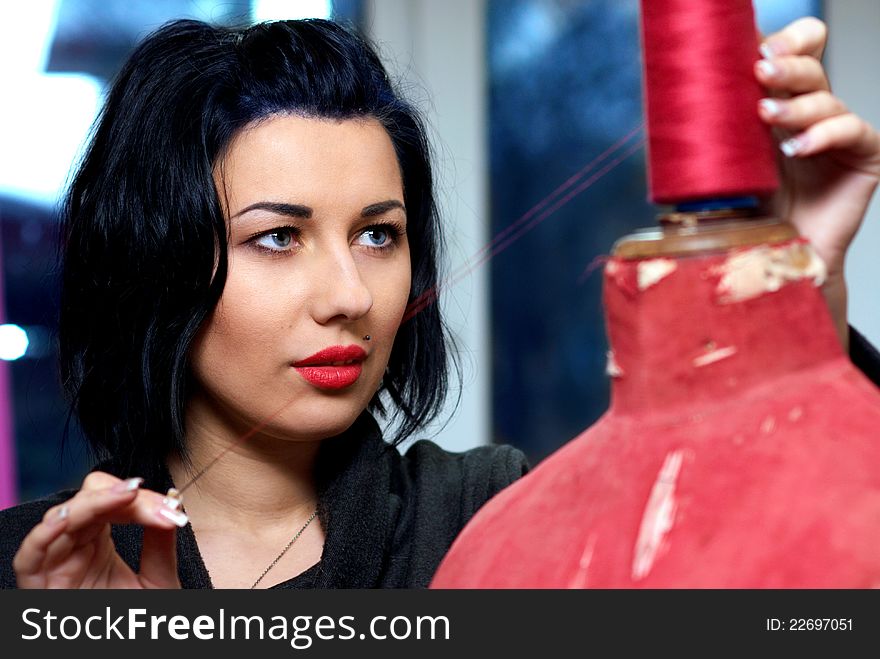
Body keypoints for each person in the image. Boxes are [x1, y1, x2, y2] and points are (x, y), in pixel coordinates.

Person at [1, 15, 878, 589]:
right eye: (278, 236)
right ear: (158, 262)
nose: (352, 297)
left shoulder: (500, 523)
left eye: (379, 235)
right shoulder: (28, 571)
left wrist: (800, 281)